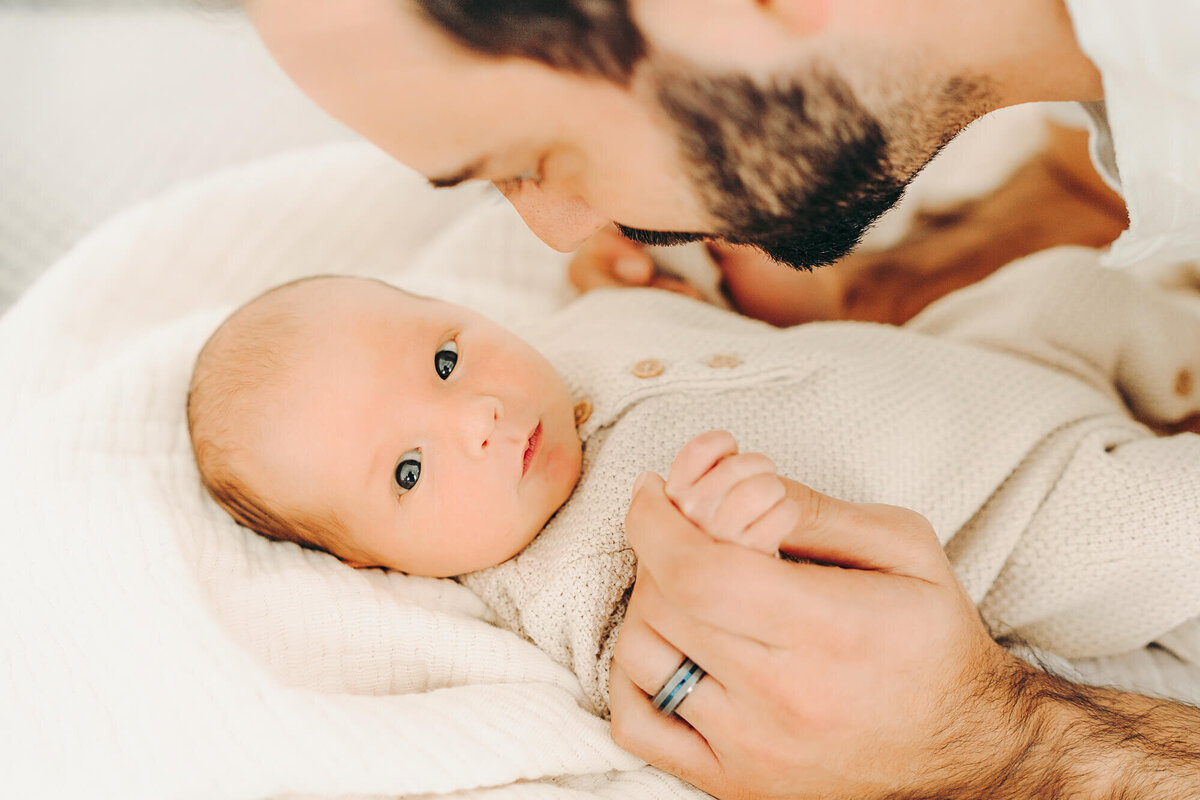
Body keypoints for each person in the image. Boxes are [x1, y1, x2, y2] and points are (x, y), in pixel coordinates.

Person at [241, 1, 1200, 796]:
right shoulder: (542, 580)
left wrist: (1012, 741)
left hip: (1005, 399)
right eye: (409, 469)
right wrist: (812, 300)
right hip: (1017, 481)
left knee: (1076, 303)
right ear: (370, 563)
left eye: (530, 156)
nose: (556, 231)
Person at [187, 251, 1200, 748]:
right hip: (1017, 516)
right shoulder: (565, 586)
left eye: (447, 355)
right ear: (373, 558)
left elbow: (698, 310)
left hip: (970, 357)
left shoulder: (573, 330)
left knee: (1071, 282)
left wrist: (661, 279)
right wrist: (744, 560)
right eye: (410, 470)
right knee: (1166, 525)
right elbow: (724, 665)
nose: (481, 415)